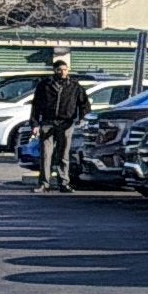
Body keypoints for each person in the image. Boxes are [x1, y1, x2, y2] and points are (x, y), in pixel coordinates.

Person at [27, 53, 91, 191]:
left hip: (66, 123)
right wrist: (35, 124)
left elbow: (84, 104)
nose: (63, 72)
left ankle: (64, 183)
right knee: (46, 154)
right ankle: (44, 183)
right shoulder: (44, 85)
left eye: (65, 69)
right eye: (59, 70)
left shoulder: (75, 86)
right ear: (54, 70)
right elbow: (36, 106)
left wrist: (82, 118)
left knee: (64, 155)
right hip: (48, 122)